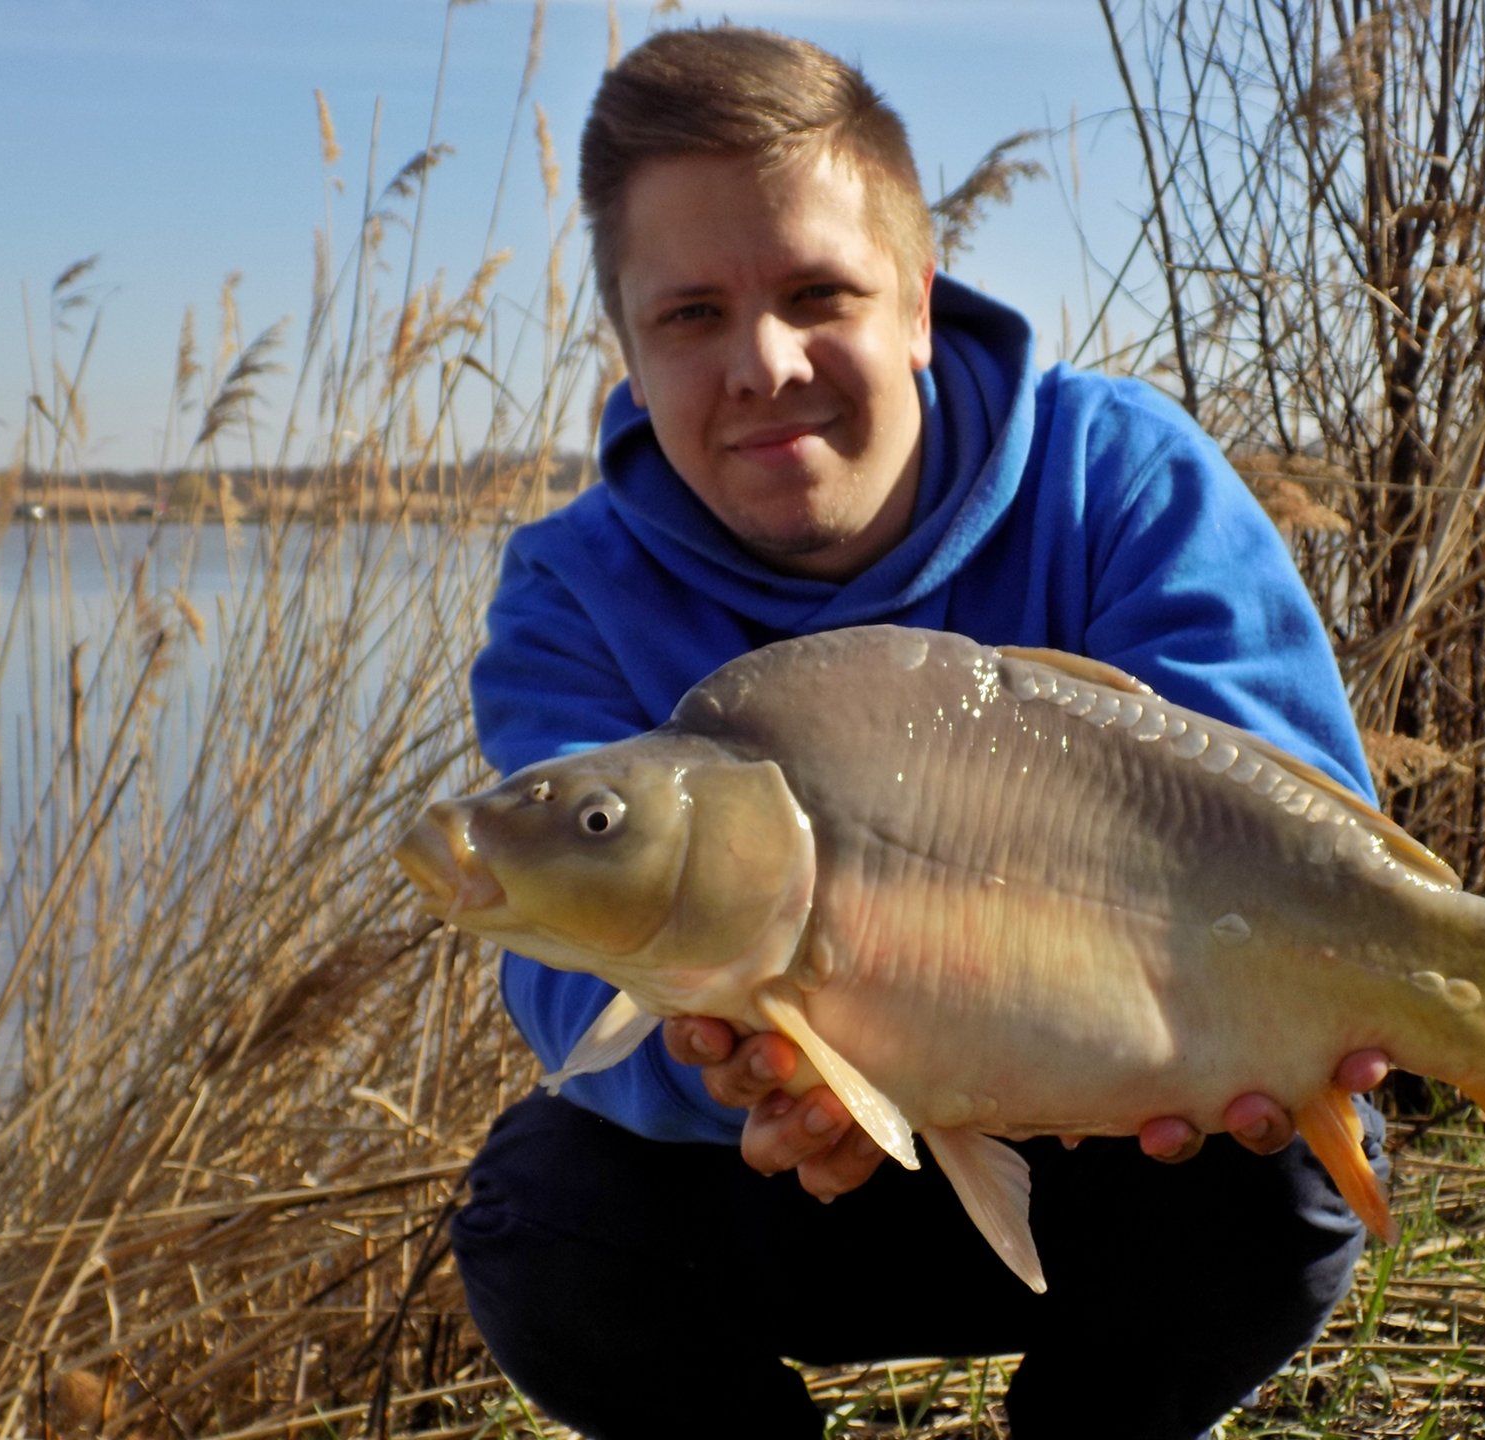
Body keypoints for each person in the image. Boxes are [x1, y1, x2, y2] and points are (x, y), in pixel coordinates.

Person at [453, 25, 1391, 1440]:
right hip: (777, 1166)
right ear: (632, 352)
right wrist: (745, 1082)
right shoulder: (572, 590)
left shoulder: (1118, 476)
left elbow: (1294, 809)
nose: (764, 364)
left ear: (918, 304)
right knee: (538, 1214)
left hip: (1121, 1139)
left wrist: (1278, 1018)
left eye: (819, 292)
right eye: (692, 316)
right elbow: (564, 975)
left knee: (1291, 1179)